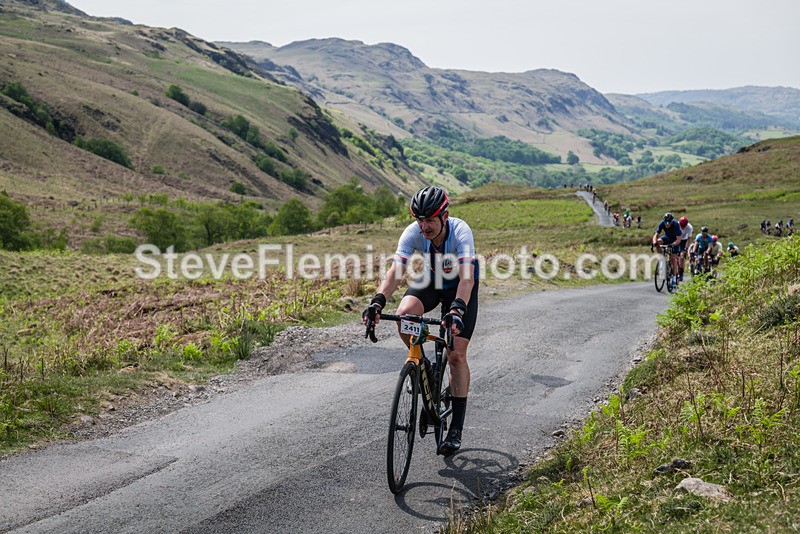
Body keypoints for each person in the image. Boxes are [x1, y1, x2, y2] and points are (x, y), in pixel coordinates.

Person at [363, 186, 478, 456]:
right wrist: (379, 299)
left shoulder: (461, 232)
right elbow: (396, 271)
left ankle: (456, 428)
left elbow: (467, 278)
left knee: (456, 356)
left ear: (444, 217)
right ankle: (423, 366)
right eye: (420, 220)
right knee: (404, 315)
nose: (424, 226)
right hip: (432, 281)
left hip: (461, 288)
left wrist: (458, 309)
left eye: (430, 220)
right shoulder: (413, 232)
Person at [652, 213, 682, 286]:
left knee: (672, 258)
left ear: (671, 222)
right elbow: (655, 235)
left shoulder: (676, 225)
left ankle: (674, 278)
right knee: (658, 242)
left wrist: (673, 244)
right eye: (665, 222)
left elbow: (679, 240)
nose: (666, 224)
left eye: (668, 222)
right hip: (667, 237)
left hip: (674, 240)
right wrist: (654, 242)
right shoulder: (662, 223)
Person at [677, 216, 693, 281]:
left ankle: (681, 272)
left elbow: (689, 239)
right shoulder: (677, 225)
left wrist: (685, 249)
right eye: (681, 226)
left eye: (684, 226)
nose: (682, 227)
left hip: (684, 240)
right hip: (677, 239)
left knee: (682, 256)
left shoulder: (689, 227)